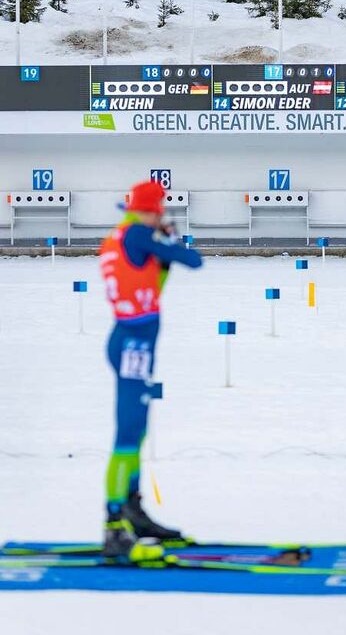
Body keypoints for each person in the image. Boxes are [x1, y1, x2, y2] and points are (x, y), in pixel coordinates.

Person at [99, 181, 202, 561]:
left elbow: (153, 285)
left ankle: (132, 513)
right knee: (127, 435)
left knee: (136, 431)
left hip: (133, 340)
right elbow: (194, 259)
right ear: (150, 209)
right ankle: (113, 526)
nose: (161, 214)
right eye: (159, 208)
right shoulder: (139, 234)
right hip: (133, 346)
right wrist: (169, 244)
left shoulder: (127, 234)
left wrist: (163, 256)